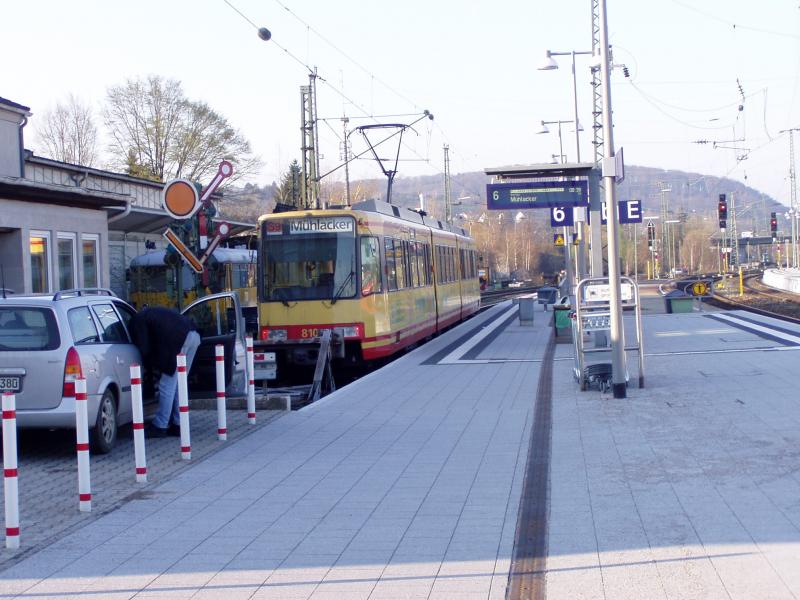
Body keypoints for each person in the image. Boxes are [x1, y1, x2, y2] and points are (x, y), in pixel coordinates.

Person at [129, 306, 201, 437]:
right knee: (179, 383)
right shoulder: (152, 314)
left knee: (166, 385)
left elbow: (144, 347)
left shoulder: (138, 321)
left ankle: (160, 425)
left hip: (178, 341)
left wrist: (149, 367)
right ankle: (179, 424)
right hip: (194, 335)